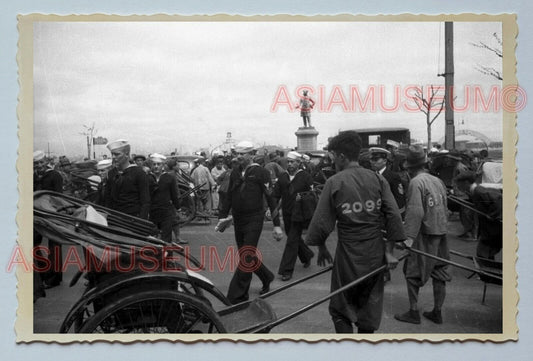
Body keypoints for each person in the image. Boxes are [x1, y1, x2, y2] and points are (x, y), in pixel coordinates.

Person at [305, 131, 405, 334]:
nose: (332, 161)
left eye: (333, 156)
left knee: (340, 308)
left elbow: (321, 223)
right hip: (375, 254)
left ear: (341, 156)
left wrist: (322, 247)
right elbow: (394, 215)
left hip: (348, 257)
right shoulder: (378, 180)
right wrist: (389, 251)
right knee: (369, 307)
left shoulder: (335, 182)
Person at [216, 140, 284, 304]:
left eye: (242, 154)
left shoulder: (261, 172)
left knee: (246, 255)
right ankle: (266, 276)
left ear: (251, 154)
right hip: (238, 219)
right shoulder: (234, 172)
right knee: (246, 255)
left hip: (255, 219)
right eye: (237, 153)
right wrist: (222, 217)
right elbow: (229, 196)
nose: (238, 157)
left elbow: (271, 198)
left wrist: (276, 225)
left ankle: (236, 296)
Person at [394, 145, 450, 325]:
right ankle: (438, 311)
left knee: (412, 272)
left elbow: (416, 212)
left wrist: (408, 239)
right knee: (439, 272)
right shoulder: (437, 181)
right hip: (441, 233)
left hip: (425, 235)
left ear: (409, 167)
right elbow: (445, 207)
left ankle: (413, 312)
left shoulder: (416, 182)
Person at [272, 151, 315, 281]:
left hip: (299, 214)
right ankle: (307, 255)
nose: (290, 164)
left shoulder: (305, 177)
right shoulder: (283, 177)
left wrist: (303, 198)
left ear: (299, 163)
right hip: (287, 213)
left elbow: (312, 196)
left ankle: (286, 270)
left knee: (291, 241)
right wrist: (273, 209)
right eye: (288, 162)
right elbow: (275, 195)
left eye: (292, 162)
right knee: (293, 238)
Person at [33, 150, 64, 293]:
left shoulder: (55, 175)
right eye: (36, 164)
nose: (38, 166)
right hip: (36, 214)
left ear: (46, 161)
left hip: (51, 213)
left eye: (40, 162)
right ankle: (43, 272)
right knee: (33, 243)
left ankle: (54, 278)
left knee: (54, 246)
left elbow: (58, 196)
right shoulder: (33, 176)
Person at [454, 171, 502, 259]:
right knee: (486, 253)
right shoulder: (473, 192)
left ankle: (487, 270)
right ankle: (489, 269)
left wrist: (492, 215)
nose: (458, 187)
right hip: (488, 229)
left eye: (459, 184)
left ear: (466, 182)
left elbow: (498, 199)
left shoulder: (478, 191)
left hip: (494, 228)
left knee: (483, 253)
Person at [104, 139, 150, 219]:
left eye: (117, 154)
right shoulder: (111, 173)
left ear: (126, 154)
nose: (113, 157)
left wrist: (141, 223)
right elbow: (107, 199)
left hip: (133, 220)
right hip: (114, 219)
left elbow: (145, 201)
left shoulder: (139, 173)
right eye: (112, 154)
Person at [148, 153, 181, 244]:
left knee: (166, 238)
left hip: (166, 211)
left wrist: (178, 207)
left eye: (158, 164)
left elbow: (174, 194)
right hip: (152, 212)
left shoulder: (169, 178)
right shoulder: (148, 178)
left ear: (163, 166)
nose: (156, 167)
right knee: (152, 238)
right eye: (154, 164)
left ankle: (168, 257)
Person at [369, 147, 406, 215]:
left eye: (376, 159)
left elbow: (399, 199)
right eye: (371, 159)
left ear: (385, 161)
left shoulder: (393, 177)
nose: (372, 162)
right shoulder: (371, 175)